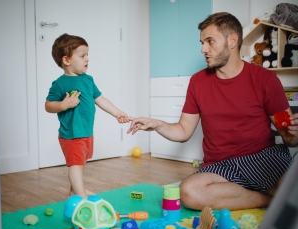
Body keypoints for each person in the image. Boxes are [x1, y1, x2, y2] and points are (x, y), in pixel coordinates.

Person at [127, 12, 298, 210]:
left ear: (232, 40)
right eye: (202, 42)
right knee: (189, 192)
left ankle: (251, 195)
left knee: (293, 184)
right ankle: (270, 201)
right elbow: (183, 131)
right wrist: (157, 124)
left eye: (210, 41)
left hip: (262, 158)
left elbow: (289, 136)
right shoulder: (198, 82)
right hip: (220, 166)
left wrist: (293, 133)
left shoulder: (266, 80)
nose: (203, 49)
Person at [46, 33, 129, 198]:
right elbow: (48, 105)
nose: (87, 59)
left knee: (80, 162)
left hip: (86, 131)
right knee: (76, 165)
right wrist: (63, 105)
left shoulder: (88, 80)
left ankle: (74, 191)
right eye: (82, 56)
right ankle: (80, 193)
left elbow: (100, 99)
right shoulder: (60, 84)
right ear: (66, 60)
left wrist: (117, 113)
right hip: (72, 133)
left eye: (87, 55)